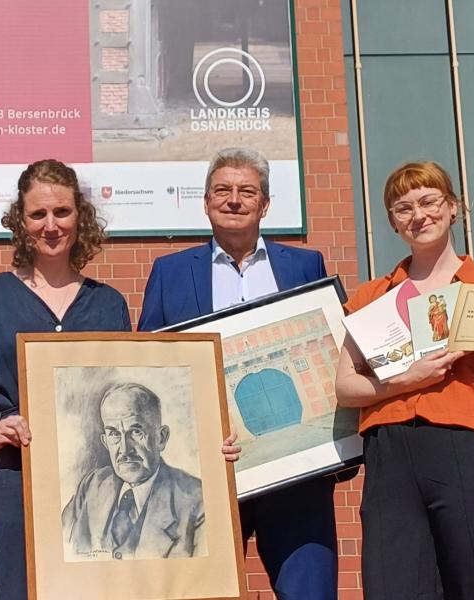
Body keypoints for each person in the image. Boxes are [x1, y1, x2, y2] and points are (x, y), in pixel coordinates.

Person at [335, 161, 474, 600]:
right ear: (393, 223)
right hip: (391, 454)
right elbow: (345, 387)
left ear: (453, 208)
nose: (418, 214)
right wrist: (407, 380)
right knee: (394, 584)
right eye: (403, 208)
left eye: (429, 201)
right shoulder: (371, 298)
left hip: (469, 446)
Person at [139, 147, 342, 600]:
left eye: (246, 191)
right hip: (206, 474)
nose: (234, 200)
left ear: (265, 204)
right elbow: (151, 367)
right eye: (222, 191)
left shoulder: (305, 266)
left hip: (296, 476)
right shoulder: (169, 273)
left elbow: (331, 356)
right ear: (206, 202)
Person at [0, 159, 133, 600]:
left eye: (62, 213)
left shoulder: (109, 304)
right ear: (20, 220)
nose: (51, 225)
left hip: (97, 477)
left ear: (79, 217)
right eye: (38, 215)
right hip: (16, 478)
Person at [62, 382, 204, 560]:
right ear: (105, 442)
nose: (124, 449)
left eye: (136, 432)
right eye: (114, 434)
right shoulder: (92, 485)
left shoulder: (197, 501)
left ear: (161, 438)